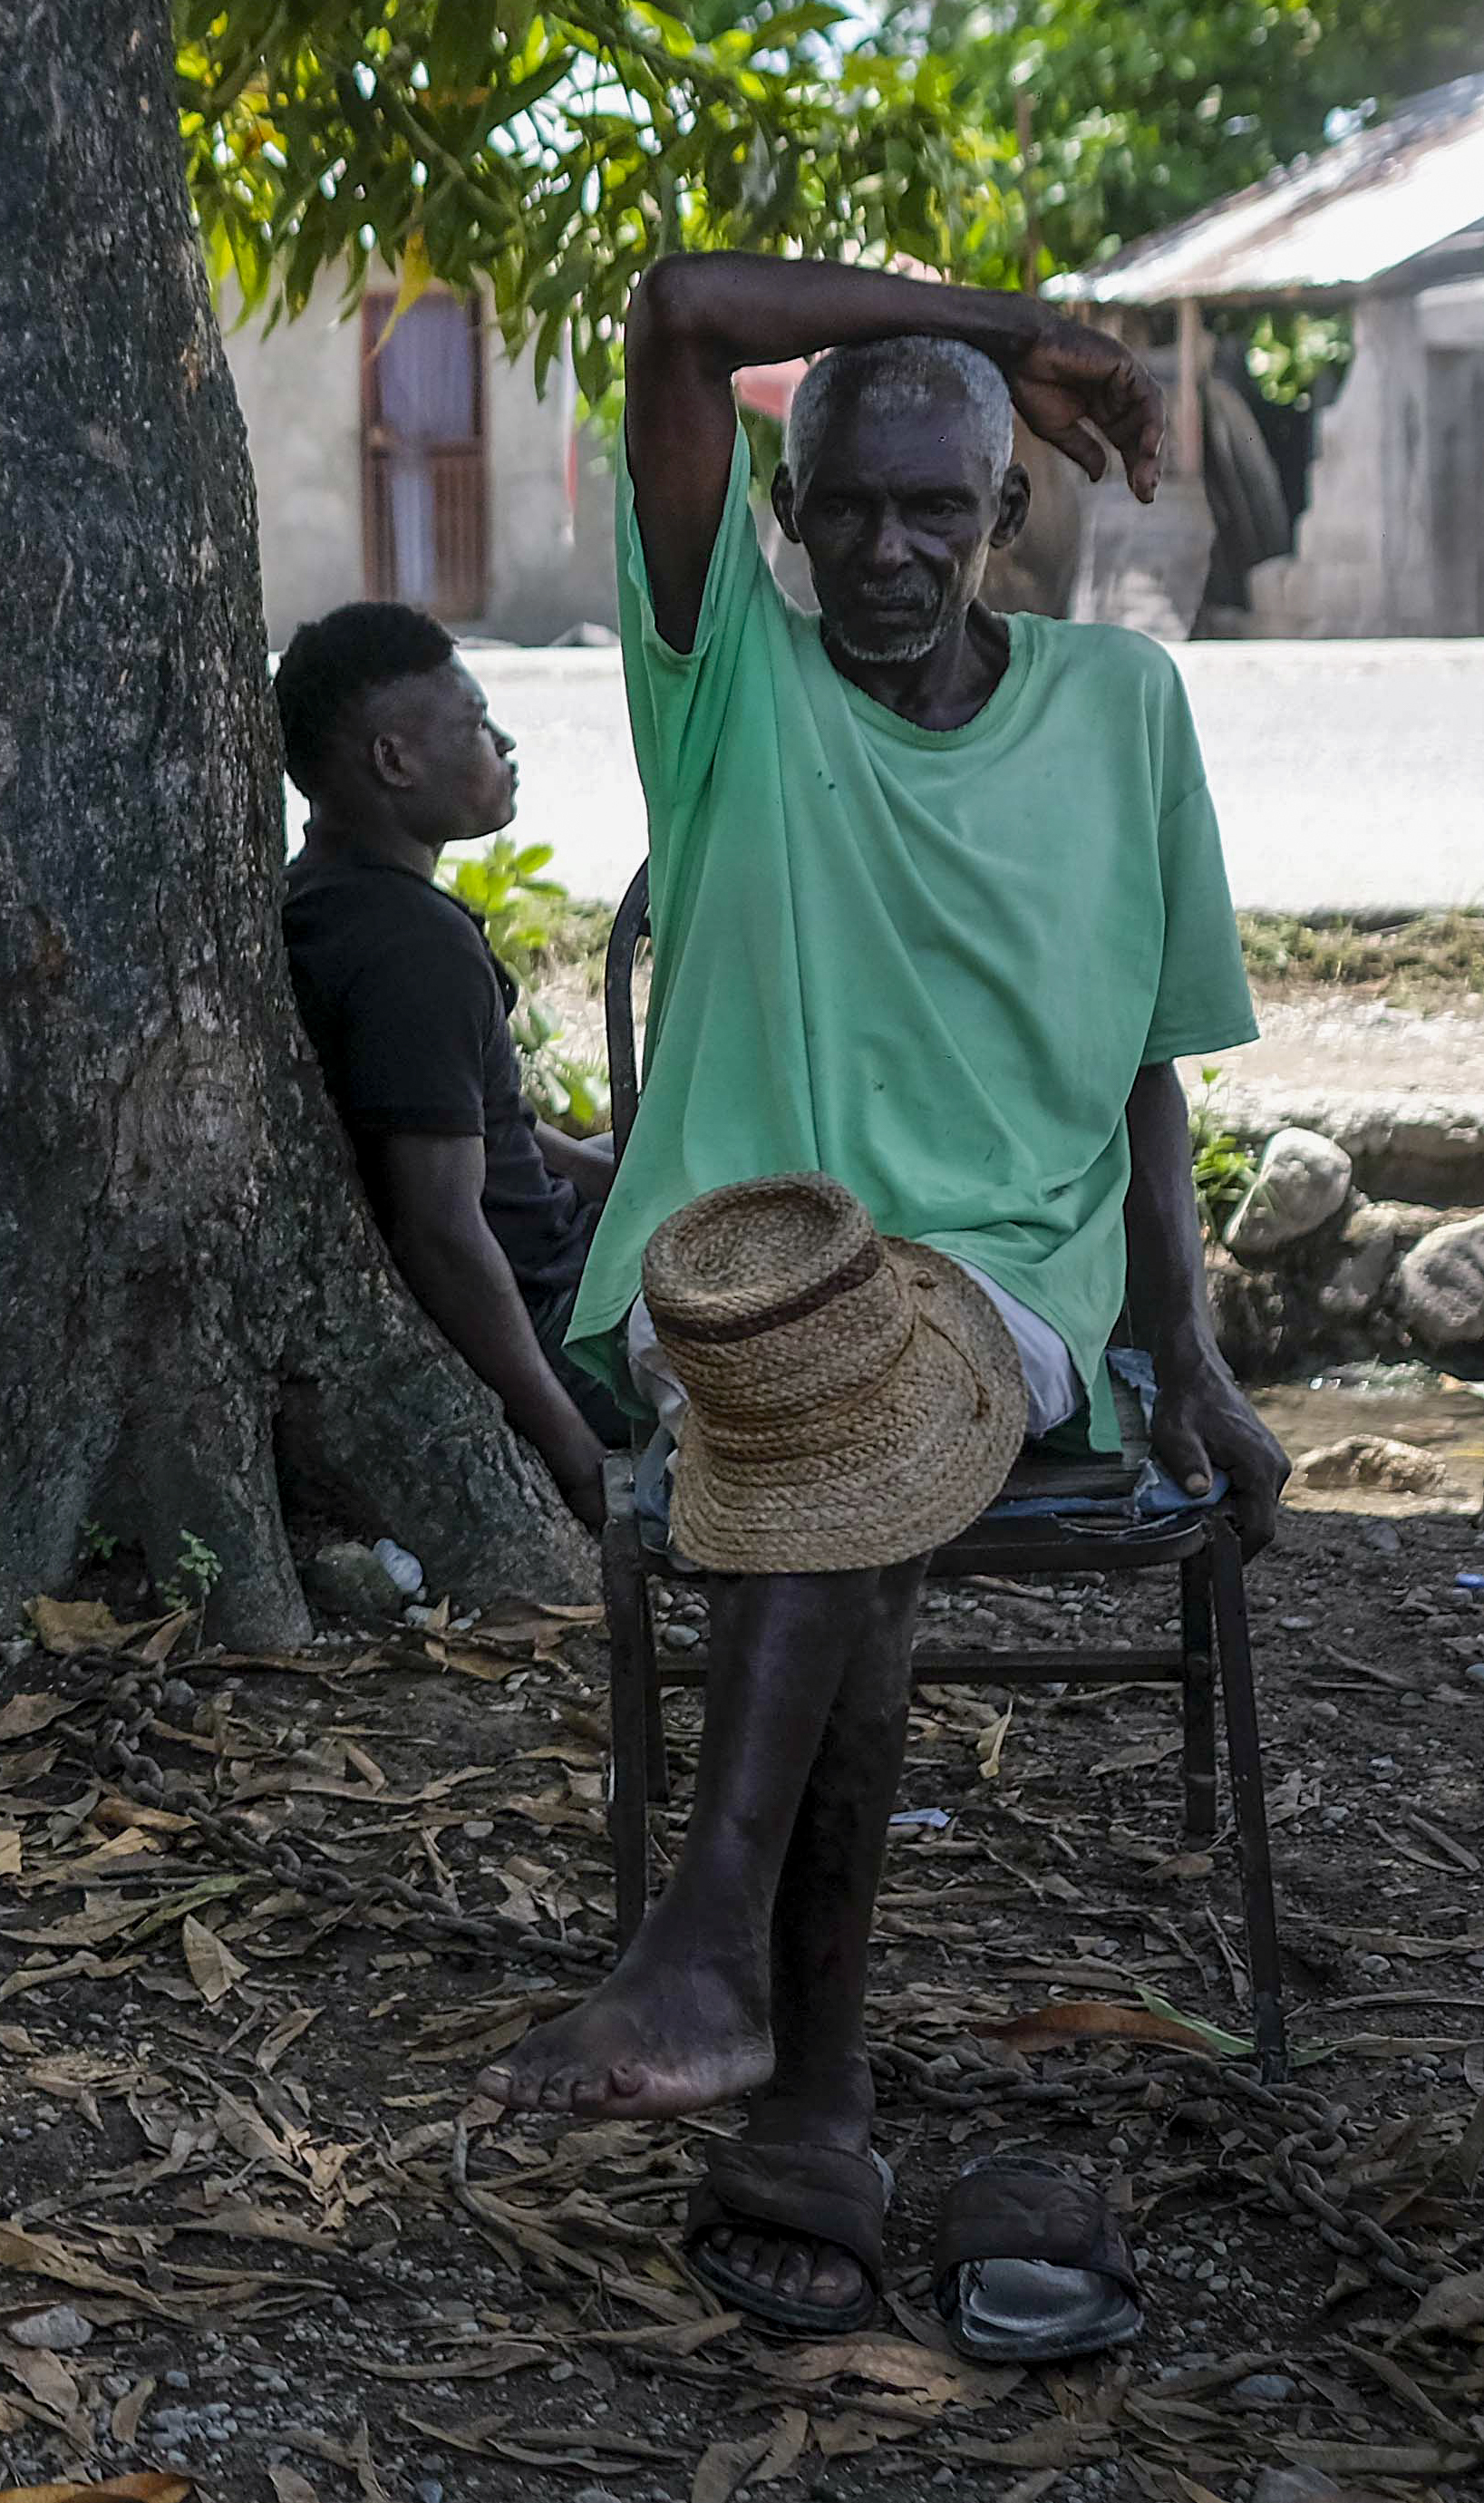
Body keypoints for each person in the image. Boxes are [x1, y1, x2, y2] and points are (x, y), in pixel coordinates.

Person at [479, 254, 1285, 2363]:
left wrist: (1187, 1362)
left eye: (939, 506)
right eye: (846, 506)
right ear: (785, 517)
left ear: (1002, 520)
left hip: (1009, 1303)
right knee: (813, 1396)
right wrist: (1017, 323)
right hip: (724, 1284)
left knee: (849, 1411)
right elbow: (662, 306)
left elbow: (1141, 1064)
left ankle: (729, 1993)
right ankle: (788, 2072)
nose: (889, 549)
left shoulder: (1119, 712)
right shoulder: (722, 678)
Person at [272, 601, 628, 1526]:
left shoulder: (322, 894)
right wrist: (573, 1452)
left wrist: (601, 1173)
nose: (503, 743)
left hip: (565, 1261)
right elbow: (440, 1228)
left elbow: (465, 1116)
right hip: (561, 1326)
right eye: (473, 724)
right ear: (393, 761)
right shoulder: (412, 949)